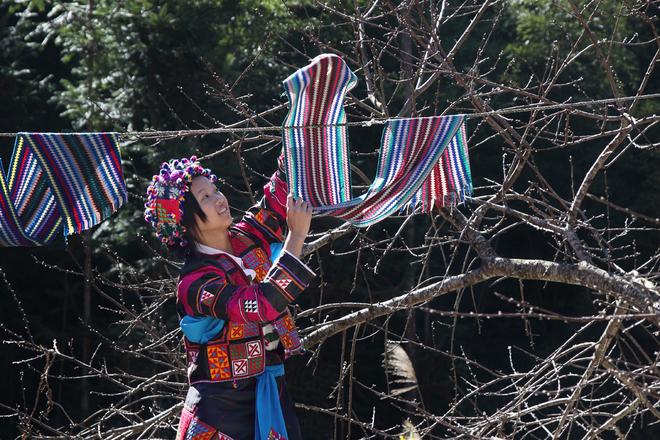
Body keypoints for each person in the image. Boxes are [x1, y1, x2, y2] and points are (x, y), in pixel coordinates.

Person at [144, 154, 314, 440]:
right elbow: (261, 305)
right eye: (206, 197)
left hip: (271, 389)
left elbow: (279, 194)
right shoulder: (196, 283)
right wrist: (295, 238)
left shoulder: (246, 237)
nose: (219, 198)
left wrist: (299, 130)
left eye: (215, 189)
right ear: (185, 221)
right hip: (219, 414)